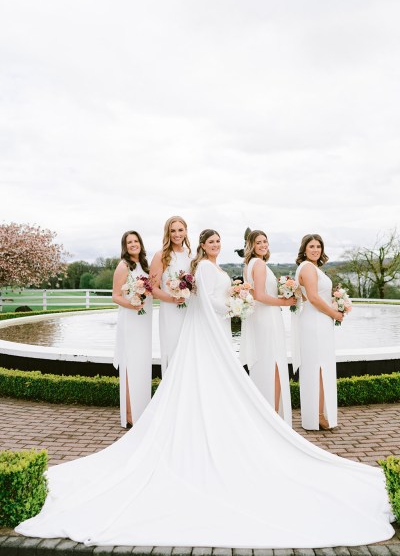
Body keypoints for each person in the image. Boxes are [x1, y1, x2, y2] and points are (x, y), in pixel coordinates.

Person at [16, 230, 393, 548]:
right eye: (210, 241)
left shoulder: (207, 267)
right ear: (203, 245)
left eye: (217, 241)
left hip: (213, 328)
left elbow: (208, 298)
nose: (214, 245)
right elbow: (208, 300)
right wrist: (235, 299)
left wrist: (234, 298)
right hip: (209, 328)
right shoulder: (202, 268)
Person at [240, 230, 295, 425]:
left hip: (260, 318)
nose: (263, 245)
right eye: (258, 242)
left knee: (264, 364)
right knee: (274, 365)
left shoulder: (249, 264)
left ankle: (265, 416)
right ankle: (272, 416)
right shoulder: (260, 264)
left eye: (265, 241)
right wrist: (285, 301)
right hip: (267, 319)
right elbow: (260, 296)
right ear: (251, 245)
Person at [292, 234, 343, 431]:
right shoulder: (306, 267)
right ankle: (317, 416)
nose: (315, 249)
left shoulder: (313, 268)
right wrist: (334, 313)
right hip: (315, 321)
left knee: (321, 366)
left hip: (320, 320)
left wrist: (338, 306)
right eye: (311, 246)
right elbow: (312, 297)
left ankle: (320, 413)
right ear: (304, 249)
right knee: (317, 368)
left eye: (318, 246)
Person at [112, 230, 152, 428]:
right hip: (131, 318)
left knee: (142, 364)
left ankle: (142, 410)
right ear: (125, 246)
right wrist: (132, 304)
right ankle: (130, 414)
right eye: (129, 242)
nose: (133, 244)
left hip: (144, 321)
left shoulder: (145, 265)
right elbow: (116, 295)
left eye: (136, 241)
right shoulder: (124, 265)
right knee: (130, 365)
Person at [150, 216, 192, 374]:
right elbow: (153, 288)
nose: (177, 234)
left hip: (190, 310)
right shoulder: (161, 255)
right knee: (173, 348)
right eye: (172, 230)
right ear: (167, 233)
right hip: (170, 311)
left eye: (180, 230)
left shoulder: (191, 255)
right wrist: (172, 298)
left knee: (189, 350)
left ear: (186, 232)